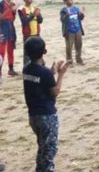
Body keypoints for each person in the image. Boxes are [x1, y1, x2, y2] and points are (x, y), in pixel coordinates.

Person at [23, 37, 69, 172]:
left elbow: (39, 79)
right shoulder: (45, 73)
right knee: (49, 151)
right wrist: (60, 74)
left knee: (42, 147)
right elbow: (54, 91)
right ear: (45, 51)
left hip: (33, 116)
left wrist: (52, 70)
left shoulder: (26, 69)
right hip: (47, 115)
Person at [18, 0, 44, 66]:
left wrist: (38, 15)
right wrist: (33, 15)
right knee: (27, 52)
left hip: (36, 33)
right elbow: (24, 21)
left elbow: (40, 21)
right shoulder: (21, 9)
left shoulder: (35, 8)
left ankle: (39, 65)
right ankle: (27, 67)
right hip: (27, 35)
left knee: (39, 50)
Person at [60, 0, 85, 65]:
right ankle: (69, 61)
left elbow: (80, 18)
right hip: (69, 31)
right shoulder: (63, 10)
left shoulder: (76, 8)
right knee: (69, 47)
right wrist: (67, 15)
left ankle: (79, 60)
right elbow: (62, 20)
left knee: (79, 45)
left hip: (78, 29)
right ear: (65, 1)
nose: (71, 1)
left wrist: (82, 14)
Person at [0, 0, 19, 77]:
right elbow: (1, 18)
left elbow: (12, 18)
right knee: (2, 51)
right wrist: (10, 8)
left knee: (11, 49)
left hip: (11, 26)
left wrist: (14, 10)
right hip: (3, 27)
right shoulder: (1, 3)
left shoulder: (12, 3)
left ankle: (11, 69)